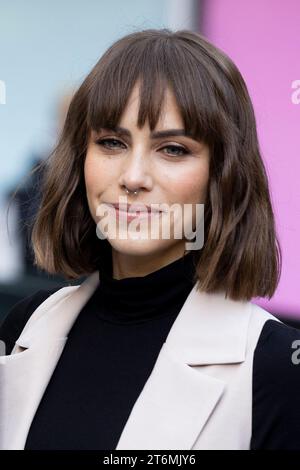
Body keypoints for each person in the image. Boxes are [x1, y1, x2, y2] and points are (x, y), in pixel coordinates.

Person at [0, 28, 300, 451]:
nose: (133, 177)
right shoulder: (23, 328)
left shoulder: (275, 367)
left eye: (173, 149)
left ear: (223, 175)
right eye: (111, 142)